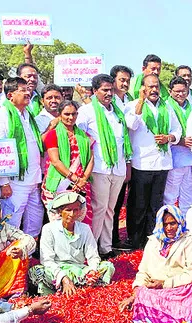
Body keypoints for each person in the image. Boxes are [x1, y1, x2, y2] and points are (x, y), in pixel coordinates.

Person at [118, 205, 192, 323]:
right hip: (158, 291)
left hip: (185, 289)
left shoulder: (190, 240)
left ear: (179, 222)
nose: (169, 228)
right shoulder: (153, 242)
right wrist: (135, 294)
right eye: (165, 224)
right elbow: (143, 272)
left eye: (173, 223)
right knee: (145, 294)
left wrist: (165, 283)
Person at [123, 74, 182, 249]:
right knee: (138, 204)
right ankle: (135, 240)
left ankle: (152, 239)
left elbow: (177, 130)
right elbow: (131, 125)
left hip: (162, 163)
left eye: (156, 86)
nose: (154, 90)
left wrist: (168, 137)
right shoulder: (133, 105)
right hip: (141, 163)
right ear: (143, 88)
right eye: (150, 86)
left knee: (156, 204)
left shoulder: (167, 107)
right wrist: (140, 101)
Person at [77, 74, 132, 257]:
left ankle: (106, 247)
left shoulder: (118, 110)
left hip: (118, 167)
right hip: (99, 168)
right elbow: (79, 138)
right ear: (94, 91)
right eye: (104, 90)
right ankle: (91, 249)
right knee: (99, 208)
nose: (109, 93)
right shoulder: (86, 111)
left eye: (111, 90)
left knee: (111, 209)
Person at [29, 191, 115, 296]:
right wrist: (63, 278)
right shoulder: (49, 229)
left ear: (80, 211)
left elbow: (93, 256)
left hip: (79, 270)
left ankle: (80, 285)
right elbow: (47, 260)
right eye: (68, 210)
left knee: (108, 266)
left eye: (76, 210)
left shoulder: (84, 229)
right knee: (38, 271)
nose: (72, 214)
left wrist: (92, 271)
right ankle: (72, 286)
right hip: (58, 269)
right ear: (60, 211)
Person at [0, 77, 44, 239]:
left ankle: (26, 257)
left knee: (34, 221)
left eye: (28, 89)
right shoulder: (2, 115)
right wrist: (4, 182)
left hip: (34, 179)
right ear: (10, 95)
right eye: (22, 90)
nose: (28, 92)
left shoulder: (29, 115)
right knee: (11, 223)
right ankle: (8, 260)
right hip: (14, 182)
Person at [42, 100, 94, 224]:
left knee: (81, 220)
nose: (71, 117)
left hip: (81, 185)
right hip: (59, 183)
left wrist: (83, 180)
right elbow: (55, 161)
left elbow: (91, 160)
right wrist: (75, 179)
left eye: (74, 114)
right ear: (59, 115)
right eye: (67, 114)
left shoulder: (84, 136)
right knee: (60, 221)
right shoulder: (53, 135)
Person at [164, 76, 192, 215]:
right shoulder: (165, 107)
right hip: (174, 158)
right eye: (177, 91)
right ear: (170, 91)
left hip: (190, 158)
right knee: (170, 196)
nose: (180, 94)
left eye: (183, 91)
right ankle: (170, 225)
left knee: (188, 197)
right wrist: (181, 140)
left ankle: (186, 228)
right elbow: (164, 132)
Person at [109, 65, 134, 249]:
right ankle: (110, 239)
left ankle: (118, 237)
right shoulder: (109, 104)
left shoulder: (131, 101)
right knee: (111, 205)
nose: (125, 83)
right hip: (110, 160)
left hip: (128, 157)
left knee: (123, 202)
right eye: (121, 80)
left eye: (127, 80)